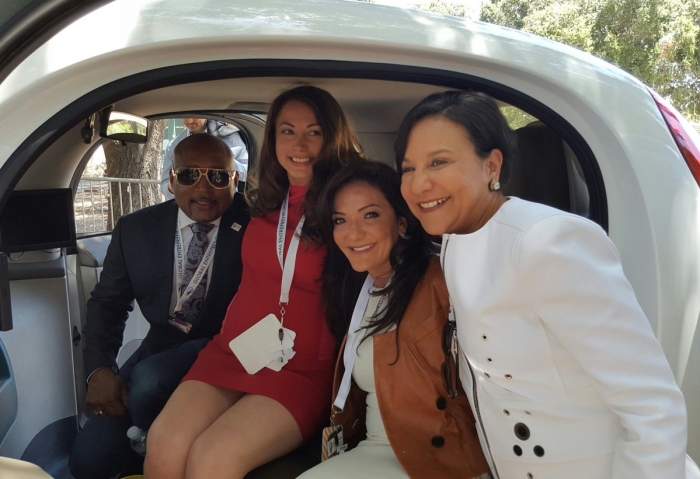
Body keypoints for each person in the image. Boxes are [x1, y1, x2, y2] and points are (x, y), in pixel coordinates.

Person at [395, 90, 692, 478]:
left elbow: (652, 408)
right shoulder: (456, 239)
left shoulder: (544, 240)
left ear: (492, 166)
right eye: (408, 168)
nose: (419, 185)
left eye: (439, 162)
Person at [145, 85, 365, 479]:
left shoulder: (347, 205)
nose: (299, 144)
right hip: (237, 351)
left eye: (314, 132)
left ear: (332, 138)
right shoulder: (264, 202)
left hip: (301, 368)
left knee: (212, 459)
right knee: (163, 445)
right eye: (286, 131)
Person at [69, 134, 250, 479]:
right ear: (170, 180)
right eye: (188, 175)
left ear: (235, 181)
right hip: (159, 346)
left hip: (228, 351)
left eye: (217, 176)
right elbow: (108, 303)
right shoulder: (135, 228)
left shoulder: (259, 225)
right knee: (88, 462)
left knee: (151, 382)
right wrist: (100, 370)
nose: (203, 188)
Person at [297, 161, 492, 479]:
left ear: (402, 223)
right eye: (340, 220)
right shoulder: (360, 288)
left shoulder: (444, 285)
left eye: (370, 215)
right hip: (374, 449)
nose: (353, 232)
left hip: (440, 458)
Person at [160, 118, 249, 198]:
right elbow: (165, 184)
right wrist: (178, 183)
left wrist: (225, 161)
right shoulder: (173, 145)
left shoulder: (230, 136)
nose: (190, 121)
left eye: (195, 116)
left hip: (224, 204)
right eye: (185, 116)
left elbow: (248, 172)